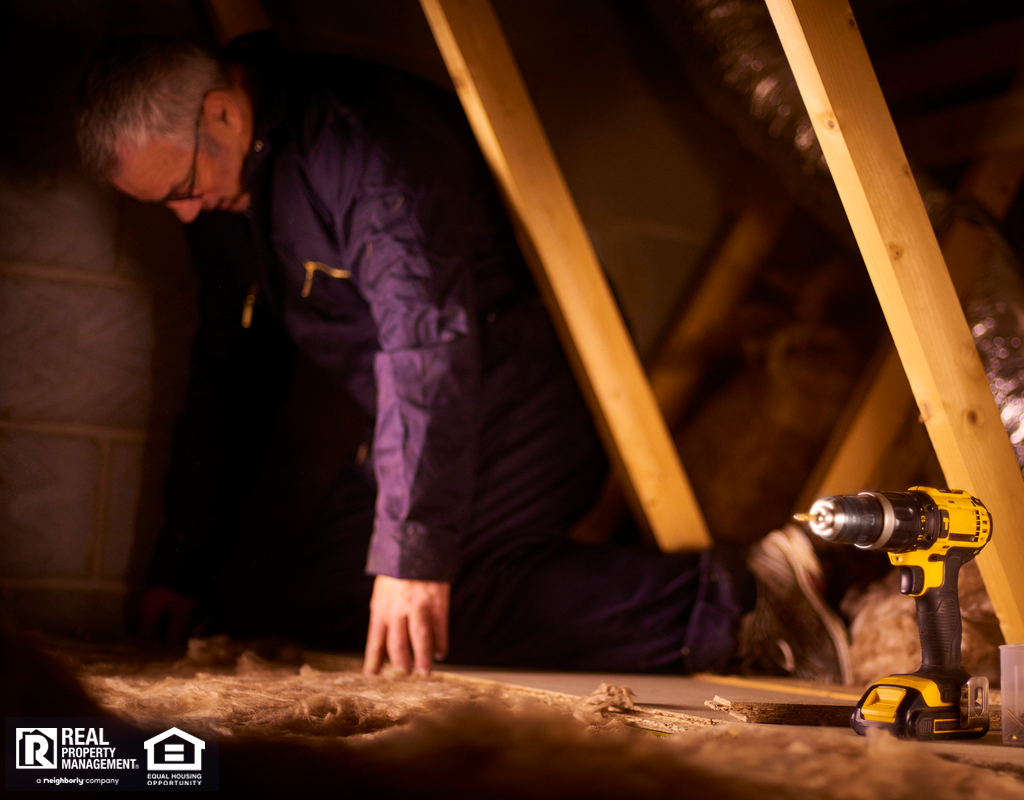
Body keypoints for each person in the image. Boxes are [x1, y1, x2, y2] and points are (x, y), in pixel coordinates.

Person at [75, 33, 851, 682]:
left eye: (182, 184)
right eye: (163, 203)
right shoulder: (226, 192)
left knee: (404, 598)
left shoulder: (359, 138)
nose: (183, 211)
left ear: (220, 110)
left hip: (521, 373)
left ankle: (743, 602)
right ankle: (700, 598)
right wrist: (183, 558)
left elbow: (427, 339)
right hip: (425, 400)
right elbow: (231, 372)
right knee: (324, 606)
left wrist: (414, 554)